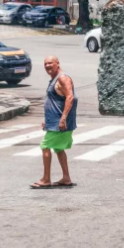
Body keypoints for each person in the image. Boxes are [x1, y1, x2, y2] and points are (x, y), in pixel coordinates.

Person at [33, 55, 77, 189]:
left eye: (50, 63)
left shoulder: (63, 78)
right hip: (54, 121)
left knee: (45, 146)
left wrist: (63, 118)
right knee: (59, 149)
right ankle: (66, 178)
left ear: (58, 63)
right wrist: (47, 120)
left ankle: (46, 179)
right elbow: (54, 101)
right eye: (45, 64)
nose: (47, 66)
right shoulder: (54, 79)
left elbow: (71, 98)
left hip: (60, 122)